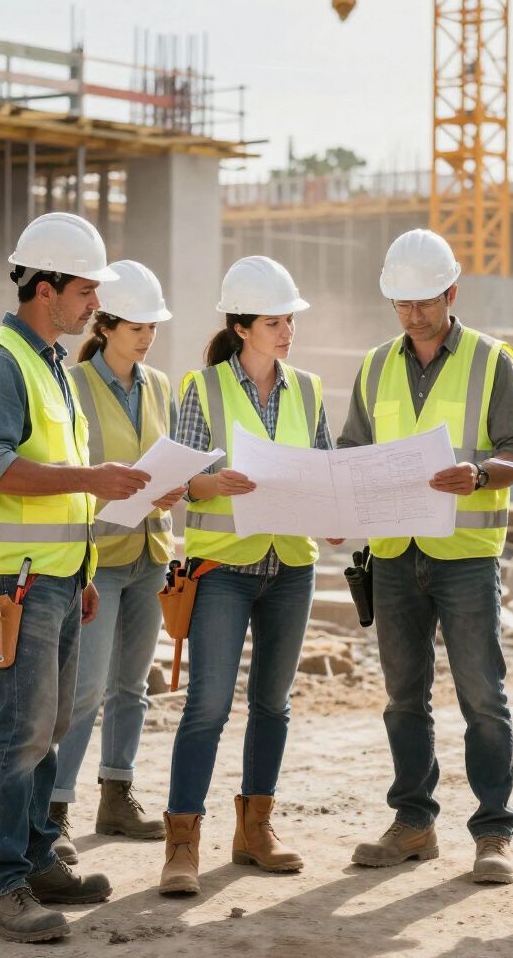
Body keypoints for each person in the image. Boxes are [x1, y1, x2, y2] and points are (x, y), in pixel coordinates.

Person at [0, 213, 155, 944]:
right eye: (84, 290)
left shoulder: (49, 365)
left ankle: (36, 859)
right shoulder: (0, 363)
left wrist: (85, 568)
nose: (93, 305)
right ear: (44, 288)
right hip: (17, 582)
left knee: (51, 727)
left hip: (60, 579)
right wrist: (94, 476)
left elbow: (64, 491)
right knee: (19, 731)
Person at [338, 228, 513, 885]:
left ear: (452, 292)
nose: (414, 313)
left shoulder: (490, 359)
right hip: (394, 556)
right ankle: (414, 823)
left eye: (424, 301)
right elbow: (351, 450)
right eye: (402, 303)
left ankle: (493, 834)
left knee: (483, 695)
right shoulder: (374, 366)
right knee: (403, 698)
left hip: (467, 554)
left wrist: (478, 473)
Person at [159, 256, 336, 897]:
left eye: (289, 318)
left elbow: (323, 470)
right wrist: (208, 483)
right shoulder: (200, 389)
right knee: (207, 705)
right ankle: (182, 843)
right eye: (273, 321)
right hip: (224, 569)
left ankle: (254, 830)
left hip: (290, 566)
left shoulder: (310, 389)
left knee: (273, 705)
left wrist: (337, 512)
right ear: (240, 328)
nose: (287, 330)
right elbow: (175, 485)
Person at [49, 260, 186, 862]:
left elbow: (169, 458)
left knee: (132, 686)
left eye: (153, 326)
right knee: (83, 691)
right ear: (104, 326)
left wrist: (174, 487)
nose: (148, 337)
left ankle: (116, 793)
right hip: (97, 558)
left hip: (150, 551)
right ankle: (53, 811)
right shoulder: (74, 387)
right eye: (137, 326)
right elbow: (68, 474)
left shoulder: (160, 386)